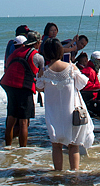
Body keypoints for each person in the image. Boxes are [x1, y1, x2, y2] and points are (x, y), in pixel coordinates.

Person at [35, 37, 94, 171]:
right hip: (71, 113)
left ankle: (58, 174)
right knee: (73, 145)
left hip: (53, 114)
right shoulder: (71, 68)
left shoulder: (44, 71)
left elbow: (38, 87)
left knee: (56, 145)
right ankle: (74, 175)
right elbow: (82, 84)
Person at [0, 31, 44, 147]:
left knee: (11, 119)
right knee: (24, 122)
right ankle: (22, 151)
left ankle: (8, 147)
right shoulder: (37, 57)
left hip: (10, 87)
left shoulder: (14, 53)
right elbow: (41, 75)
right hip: (24, 88)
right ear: (37, 43)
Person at [78, 51, 100, 117]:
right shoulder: (89, 71)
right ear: (95, 61)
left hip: (93, 97)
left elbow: (95, 84)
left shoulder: (93, 70)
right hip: (88, 101)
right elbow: (85, 86)